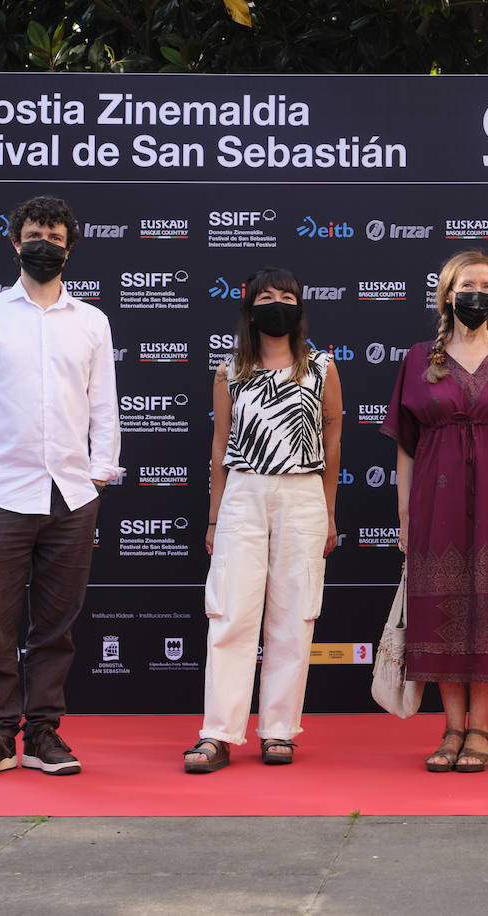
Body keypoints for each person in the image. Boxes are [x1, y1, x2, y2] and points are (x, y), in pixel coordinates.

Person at [0, 195, 121, 780]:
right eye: (35, 235)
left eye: (56, 236)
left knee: (56, 628)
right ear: (16, 243)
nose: (45, 244)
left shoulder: (91, 321)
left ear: (70, 247)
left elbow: (104, 406)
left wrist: (97, 477)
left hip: (72, 496)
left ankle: (42, 733)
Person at [382, 251, 488, 773]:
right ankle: (452, 728)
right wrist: (405, 515)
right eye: (468, 285)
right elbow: (405, 445)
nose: (479, 293)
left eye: (487, 286)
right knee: (442, 609)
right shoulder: (418, 358)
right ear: (448, 294)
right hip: (434, 501)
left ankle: (480, 727)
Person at [183, 267, 342, 773]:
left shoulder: (322, 367)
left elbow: (333, 438)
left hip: (303, 494)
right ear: (250, 310)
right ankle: (218, 733)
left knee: (293, 617)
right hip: (243, 493)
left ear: (300, 308)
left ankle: (279, 730)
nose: (277, 305)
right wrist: (214, 518)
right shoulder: (229, 371)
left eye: (287, 297)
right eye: (266, 297)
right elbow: (219, 447)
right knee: (231, 613)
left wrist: (328, 511)